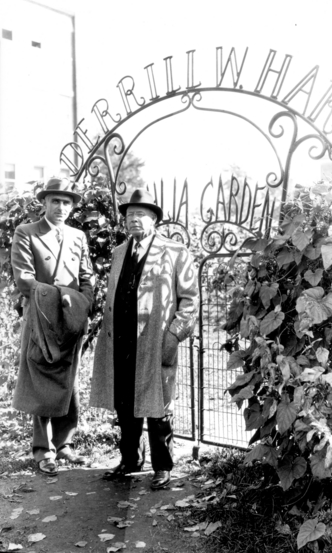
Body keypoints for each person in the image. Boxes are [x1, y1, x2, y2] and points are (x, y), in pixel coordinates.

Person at [90, 188, 198, 489]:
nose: (133, 220)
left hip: (155, 339)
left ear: (154, 220)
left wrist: (175, 334)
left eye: (140, 214)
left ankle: (162, 466)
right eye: (129, 215)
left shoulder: (174, 251)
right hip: (121, 339)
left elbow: (189, 300)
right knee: (125, 401)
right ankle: (130, 461)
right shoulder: (120, 252)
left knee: (159, 400)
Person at [11, 177, 95, 476]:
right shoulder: (27, 232)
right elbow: (24, 278)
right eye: (55, 201)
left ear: (72, 207)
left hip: (71, 318)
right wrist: (57, 299)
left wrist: (82, 304)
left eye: (67, 202)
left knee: (68, 378)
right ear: (44, 203)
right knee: (41, 378)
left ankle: (65, 443)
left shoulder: (77, 236)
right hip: (41, 316)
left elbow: (87, 276)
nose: (61, 207)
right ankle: (42, 449)